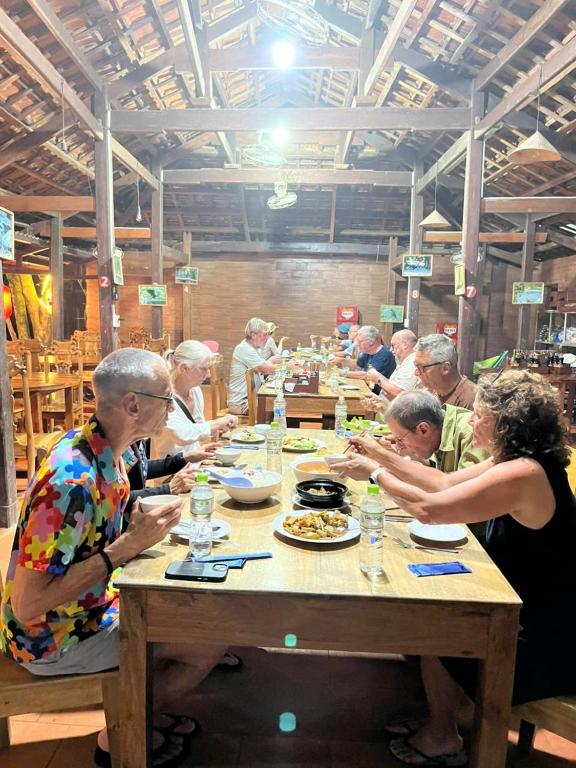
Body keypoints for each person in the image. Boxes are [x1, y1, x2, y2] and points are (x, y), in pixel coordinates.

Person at [333, 370, 576, 765]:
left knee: (439, 627)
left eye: (479, 414)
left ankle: (444, 735)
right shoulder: (515, 460)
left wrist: (375, 473)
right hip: (522, 603)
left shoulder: (524, 473)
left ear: (505, 423)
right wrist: (378, 453)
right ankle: (440, 718)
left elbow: (430, 509)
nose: (470, 420)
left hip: (544, 636)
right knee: (433, 612)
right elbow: (443, 484)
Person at [0, 348, 227, 767]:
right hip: (51, 637)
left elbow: (98, 533)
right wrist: (127, 547)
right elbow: (28, 604)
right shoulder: (71, 481)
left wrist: (140, 526)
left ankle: (137, 712)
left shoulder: (104, 449)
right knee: (208, 642)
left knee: (195, 606)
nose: (171, 408)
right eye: (166, 399)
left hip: (93, 605)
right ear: (133, 405)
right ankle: (120, 733)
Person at [348, 390, 487, 490]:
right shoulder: (440, 430)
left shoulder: (472, 432)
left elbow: (458, 491)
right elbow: (433, 468)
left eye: (400, 439)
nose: (399, 446)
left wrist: (380, 464)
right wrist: (389, 455)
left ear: (423, 429)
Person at [152, 340, 237, 459]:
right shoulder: (163, 397)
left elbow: (198, 429)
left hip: (194, 460)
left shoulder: (195, 391)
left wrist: (222, 425)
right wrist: (217, 423)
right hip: (172, 467)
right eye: (203, 368)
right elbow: (182, 435)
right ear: (184, 368)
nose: (208, 374)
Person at [228, 317, 280, 415]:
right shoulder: (244, 349)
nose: (267, 338)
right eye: (264, 334)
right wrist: (287, 367)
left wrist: (270, 361)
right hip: (242, 403)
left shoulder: (253, 349)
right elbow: (265, 369)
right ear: (253, 335)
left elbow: (263, 366)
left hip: (250, 399)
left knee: (279, 404)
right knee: (279, 406)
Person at [414, 333, 477, 410]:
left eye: (422, 367)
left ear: (445, 368)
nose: (416, 373)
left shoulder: (473, 401)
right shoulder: (429, 393)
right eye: (416, 366)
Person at [364, 329, 418, 409]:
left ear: (405, 346)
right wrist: (378, 398)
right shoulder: (405, 361)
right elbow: (394, 385)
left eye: (393, 345)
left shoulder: (411, 363)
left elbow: (399, 392)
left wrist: (378, 379)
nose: (391, 350)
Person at [335, 325, 396, 395]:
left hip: (378, 394)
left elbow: (367, 375)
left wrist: (343, 373)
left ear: (371, 342)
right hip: (367, 389)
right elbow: (357, 365)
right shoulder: (367, 351)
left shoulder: (384, 355)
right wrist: (340, 360)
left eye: (359, 341)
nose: (357, 344)